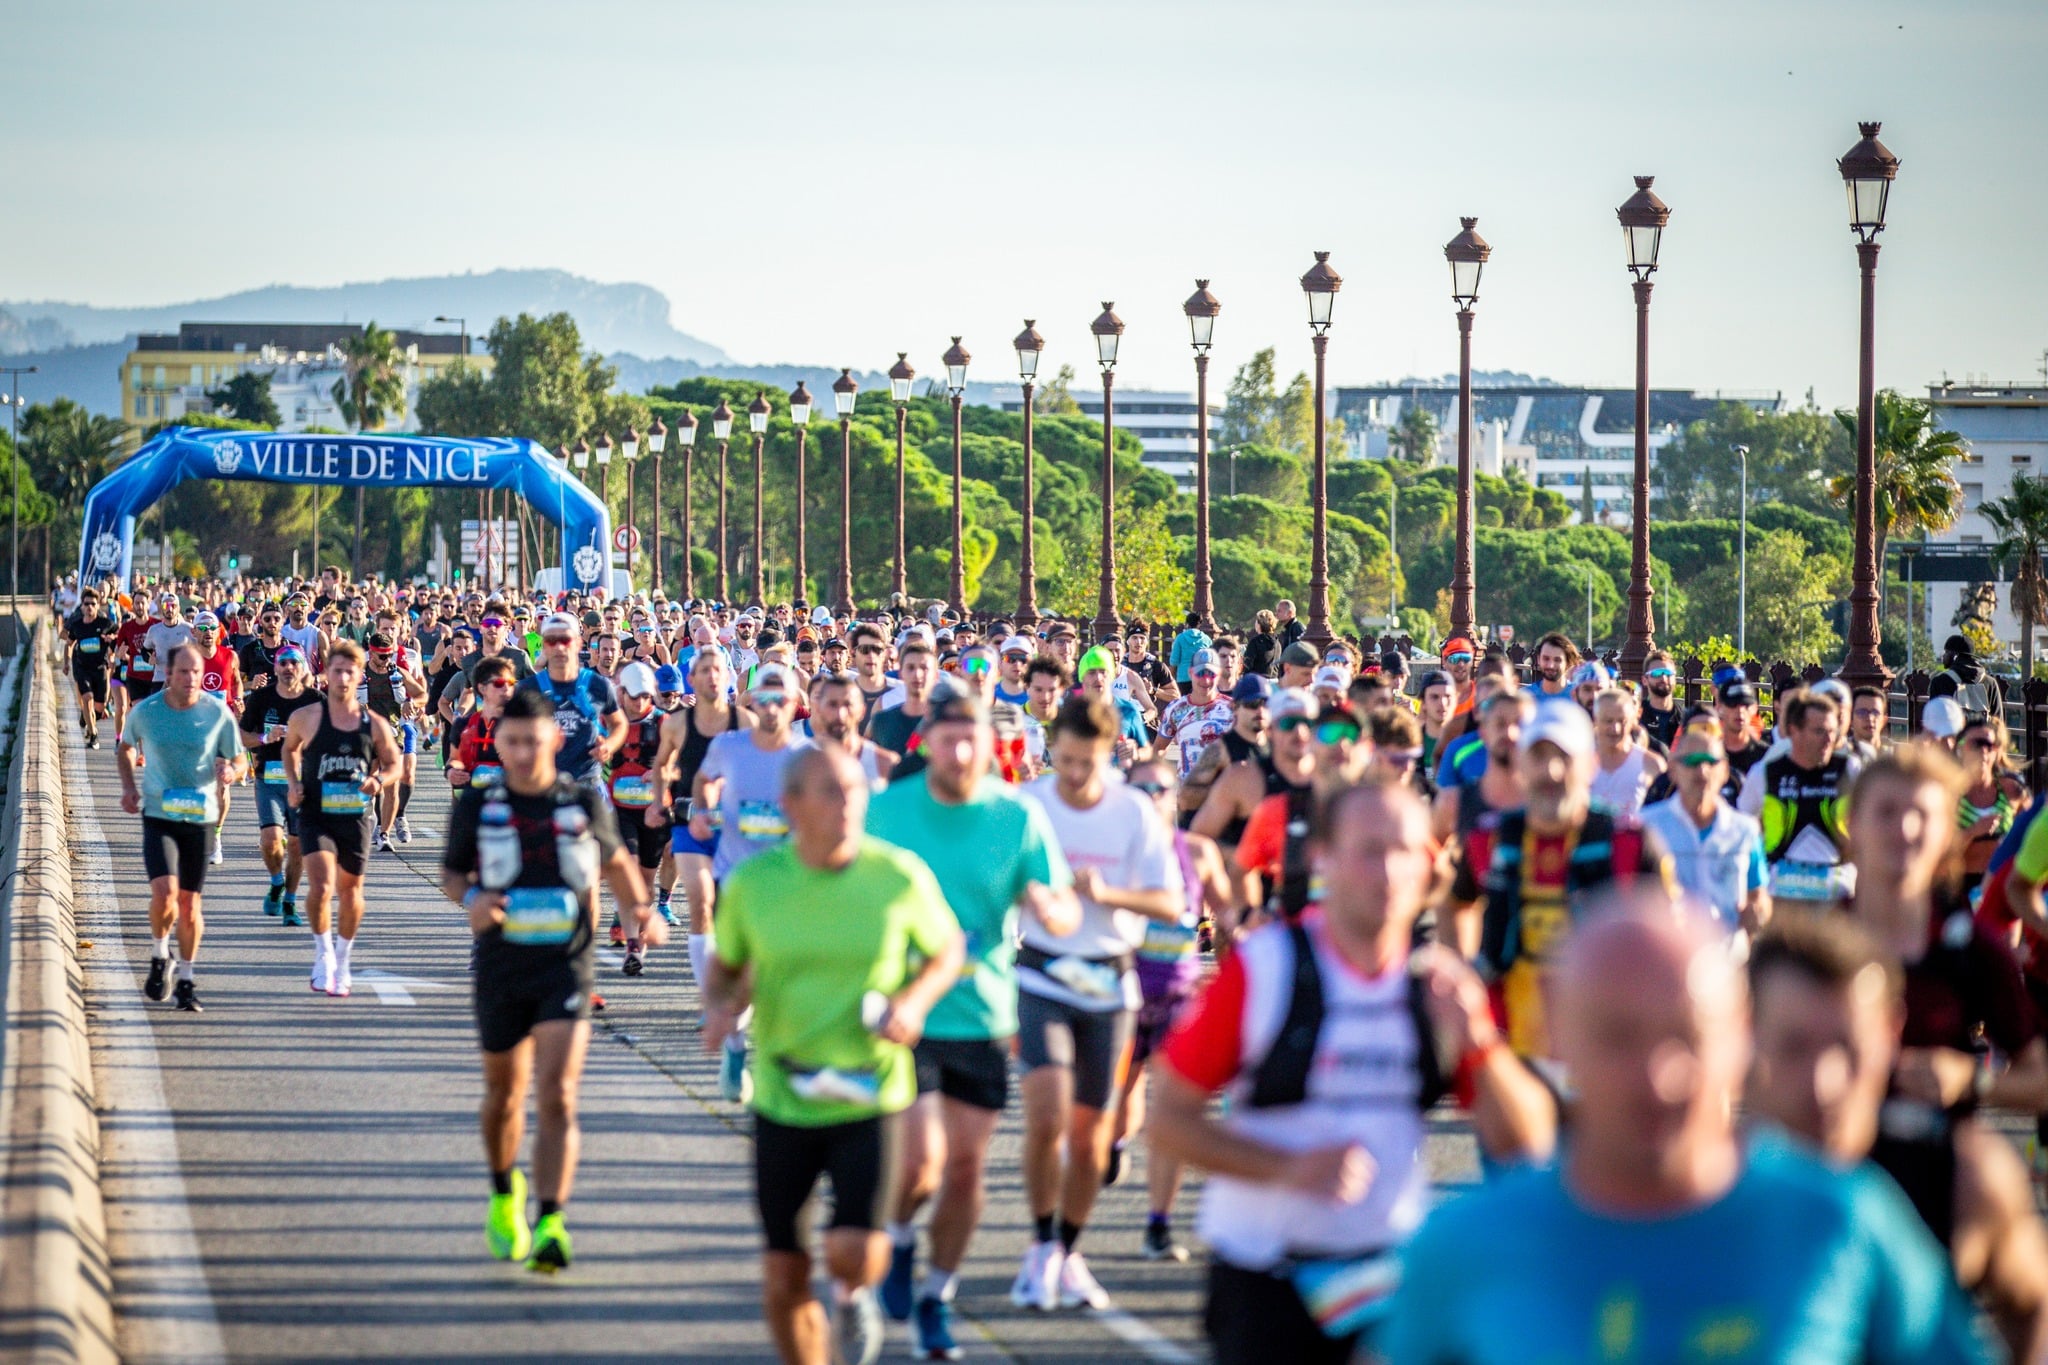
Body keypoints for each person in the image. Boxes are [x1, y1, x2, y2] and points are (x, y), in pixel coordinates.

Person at [1383, 906, 1989, 1364]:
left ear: (1739, 1034)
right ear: (1555, 1028)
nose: (1660, 1076)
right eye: (1619, 1035)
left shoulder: (1840, 1221)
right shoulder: (1462, 1249)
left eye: (1687, 1035)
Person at [1155, 779, 1556, 1364]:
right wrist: (1288, 1168)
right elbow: (1167, 1120)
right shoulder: (1265, 969)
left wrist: (1481, 1044)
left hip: (1384, 1272)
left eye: (1404, 852)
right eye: (1369, 850)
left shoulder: (1438, 986)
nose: (1389, 872)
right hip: (1267, 1274)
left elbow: (1529, 1141)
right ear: (1324, 858)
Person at [705, 746, 964, 1365]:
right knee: (784, 1274)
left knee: (851, 1252)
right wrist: (720, 1009)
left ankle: (854, 1297)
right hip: (783, 1094)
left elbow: (946, 949)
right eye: (830, 791)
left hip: (870, 1089)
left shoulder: (896, 876)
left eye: (853, 790)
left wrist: (915, 1002)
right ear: (791, 806)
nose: (848, 804)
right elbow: (726, 971)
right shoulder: (754, 886)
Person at [865, 689, 1077, 1357]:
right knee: (922, 1163)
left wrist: (1048, 904)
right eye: (947, 738)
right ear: (926, 739)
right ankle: (898, 1239)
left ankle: (939, 1294)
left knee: (964, 1171)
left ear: (990, 745)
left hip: (984, 1012)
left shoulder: (1016, 816)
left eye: (972, 739)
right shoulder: (888, 810)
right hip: (908, 1010)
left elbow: (1062, 905)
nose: (959, 752)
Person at [1746, 914, 2048, 1361]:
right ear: (1743, 1034)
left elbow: (2034, 1302)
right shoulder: (1676, 1185)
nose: (1823, 1084)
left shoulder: (1964, 1180)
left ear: (1891, 1035)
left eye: (1848, 1049)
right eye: (1793, 1047)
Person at [442, 686, 661, 1276]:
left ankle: (552, 1220)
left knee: (559, 1094)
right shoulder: (478, 806)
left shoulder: (581, 805)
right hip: (502, 965)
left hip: (565, 963)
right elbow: (451, 873)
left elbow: (616, 863)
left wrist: (644, 912)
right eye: (511, 742)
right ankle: (502, 1192)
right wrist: (472, 900)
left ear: (555, 740)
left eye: (532, 741)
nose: (521, 752)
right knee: (505, 1096)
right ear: (501, 743)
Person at [1011, 696, 1184, 1314]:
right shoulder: (1030, 805)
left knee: (1089, 1143)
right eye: (1065, 760)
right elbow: (998, 885)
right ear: (1050, 749)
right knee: (1047, 1113)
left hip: (1111, 981)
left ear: (1109, 754)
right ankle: (1037, 1245)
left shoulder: (1133, 812)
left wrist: (1107, 893)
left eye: (1088, 762)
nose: (1076, 774)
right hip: (1041, 974)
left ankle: (1066, 1249)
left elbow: (1169, 905)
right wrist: (1028, 893)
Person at [1478, 702, 1671, 1069]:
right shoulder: (1495, 838)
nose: (1550, 772)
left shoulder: (1631, 842)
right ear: (1520, 764)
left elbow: (1671, 938)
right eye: (1538, 757)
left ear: (1589, 765)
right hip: (1516, 1057)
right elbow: (1454, 900)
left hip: (1606, 1060)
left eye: (1563, 758)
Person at [1109, 758, 1232, 1265]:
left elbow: (1229, 913)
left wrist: (1240, 945)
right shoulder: (1112, 855)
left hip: (1177, 997)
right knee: (1120, 1103)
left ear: (1174, 797)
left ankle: (1158, 1223)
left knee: (1172, 1110)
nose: (1148, 799)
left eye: (1157, 790)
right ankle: (1111, 1145)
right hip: (1120, 993)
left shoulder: (1198, 853)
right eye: (1137, 791)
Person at [692, 663, 813, 1102]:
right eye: (763, 698)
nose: (772, 706)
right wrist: (702, 810)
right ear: (751, 701)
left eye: (781, 699)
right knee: (742, 974)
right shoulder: (728, 745)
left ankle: (780, 1057)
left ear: (795, 703)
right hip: (736, 876)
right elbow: (704, 780)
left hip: (788, 880)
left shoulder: (805, 755)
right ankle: (736, 1048)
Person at [117, 643, 245, 1013]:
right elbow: (125, 747)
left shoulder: (216, 712)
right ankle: (160, 954)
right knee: (165, 893)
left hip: (200, 817)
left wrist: (232, 771)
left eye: (196, 671)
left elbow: (240, 758)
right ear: (168, 674)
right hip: (159, 813)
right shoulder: (148, 711)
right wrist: (128, 786)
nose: (191, 679)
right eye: (183, 672)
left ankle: (186, 979)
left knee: (189, 907)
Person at [282, 640, 403, 997]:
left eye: (350, 671)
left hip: (355, 817)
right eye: (336, 670)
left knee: (351, 892)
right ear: (326, 674)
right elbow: (289, 748)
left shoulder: (374, 724)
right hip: (316, 814)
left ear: (359, 676)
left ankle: (343, 957)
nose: (343, 677)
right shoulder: (307, 717)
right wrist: (293, 782)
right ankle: (323, 956)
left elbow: (395, 764)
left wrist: (378, 780)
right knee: (320, 887)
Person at [1638, 714, 1770, 935]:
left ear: (1725, 771)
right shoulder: (1648, 826)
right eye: (1692, 762)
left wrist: (1757, 915)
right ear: (1673, 770)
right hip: (1670, 955)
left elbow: (1758, 897)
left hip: (1726, 957)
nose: (1702, 771)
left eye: (1710, 762)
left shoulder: (1745, 830)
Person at [1739, 687, 1860, 913]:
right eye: (1819, 732)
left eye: (1832, 732)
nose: (1828, 740)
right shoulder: (1766, 773)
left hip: (1837, 892)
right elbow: (1739, 828)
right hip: (1781, 894)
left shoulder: (1850, 769)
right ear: (1794, 731)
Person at [239, 644, 322, 925]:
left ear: (303, 668)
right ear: (275, 668)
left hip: (303, 783)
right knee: (271, 841)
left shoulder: (316, 700)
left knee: (298, 846)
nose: (288, 668)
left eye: (294, 663)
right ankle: (277, 882)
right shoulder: (261, 698)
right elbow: (241, 736)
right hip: (269, 779)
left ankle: (290, 902)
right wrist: (265, 738)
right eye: (283, 663)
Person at [606, 662, 669, 974]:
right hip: (619, 809)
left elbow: (680, 769)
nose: (639, 703)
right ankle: (631, 944)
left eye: (645, 696)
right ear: (622, 693)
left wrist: (658, 773)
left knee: (645, 881)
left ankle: (639, 950)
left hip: (653, 811)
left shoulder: (664, 724)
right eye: (633, 696)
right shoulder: (611, 722)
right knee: (627, 873)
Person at [517, 613, 625, 789]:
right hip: (543, 784)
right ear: (544, 645)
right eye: (552, 641)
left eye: (565, 640)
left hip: (588, 782)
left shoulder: (598, 684)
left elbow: (619, 723)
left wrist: (609, 746)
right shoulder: (528, 688)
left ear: (578, 643)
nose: (559, 647)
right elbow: (508, 733)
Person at [360, 630, 428, 849]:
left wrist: (412, 704)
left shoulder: (396, 672)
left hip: (392, 734)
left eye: (389, 655)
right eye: (382, 656)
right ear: (371, 653)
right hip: (365, 733)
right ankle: (367, 814)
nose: (386, 661)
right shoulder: (359, 674)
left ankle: (384, 834)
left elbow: (422, 695)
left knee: (392, 785)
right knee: (369, 782)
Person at [1955, 714, 2027, 894]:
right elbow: (1937, 850)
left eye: (1989, 745)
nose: (1983, 751)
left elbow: (2034, 829)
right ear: (1960, 748)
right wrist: (1972, 832)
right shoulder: (1950, 794)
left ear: (1997, 751)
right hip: (1960, 888)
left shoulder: (2011, 790)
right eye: (1976, 744)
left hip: (2001, 887)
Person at [1155, 648, 1232, 781]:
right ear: (1191, 673)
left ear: (1219, 675)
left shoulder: (1232, 709)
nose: (1206, 680)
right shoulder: (1176, 709)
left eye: (1211, 674)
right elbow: (1158, 749)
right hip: (1188, 791)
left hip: (1222, 792)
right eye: (1200, 673)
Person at [1588, 686, 1663, 818]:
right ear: (1596, 720)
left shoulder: (1652, 765)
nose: (1615, 729)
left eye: (1622, 721)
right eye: (1608, 721)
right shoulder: (1579, 763)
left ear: (1633, 721)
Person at [63, 585, 119, 748]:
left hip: (100, 668)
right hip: (82, 668)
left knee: (99, 709)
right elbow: (69, 644)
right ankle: (93, 734)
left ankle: (87, 717)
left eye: (93, 604)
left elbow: (118, 635)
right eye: (86, 604)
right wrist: (66, 663)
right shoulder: (77, 625)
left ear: (97, 605)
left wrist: (112, 640)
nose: (89, 607)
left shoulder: (105, 622)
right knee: (86, 698)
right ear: (82, 606)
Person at [1928, 633, 2003, 722]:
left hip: (1953, 735)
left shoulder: (1940, 681)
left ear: (1954, 656)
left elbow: (1934, 719)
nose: (1943, 656)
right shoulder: (1990, 683)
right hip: (1981, 734)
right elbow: (1998, 720)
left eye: (1946, 652)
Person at [1638, 649, 1683, 747]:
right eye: (1656, 673)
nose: (1663, 678)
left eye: (1667, 673)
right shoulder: (1636, 717)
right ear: (1645, 680)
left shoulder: (1685, 719)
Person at [1524, 630, 1576, 701]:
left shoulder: (1577, 697)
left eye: (1557, 660)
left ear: (1567, 662)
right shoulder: (1525, 698)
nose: (1550, 665)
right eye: (1546, 659)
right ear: (1539, 659)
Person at [1168, 611, 1211, 686]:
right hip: (1201, 677)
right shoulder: (1206, 639)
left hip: (1183, 678)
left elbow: (1174, 661)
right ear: (1199, 623)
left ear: (1187, 624)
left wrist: (1170, 679)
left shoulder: (1180, 638)